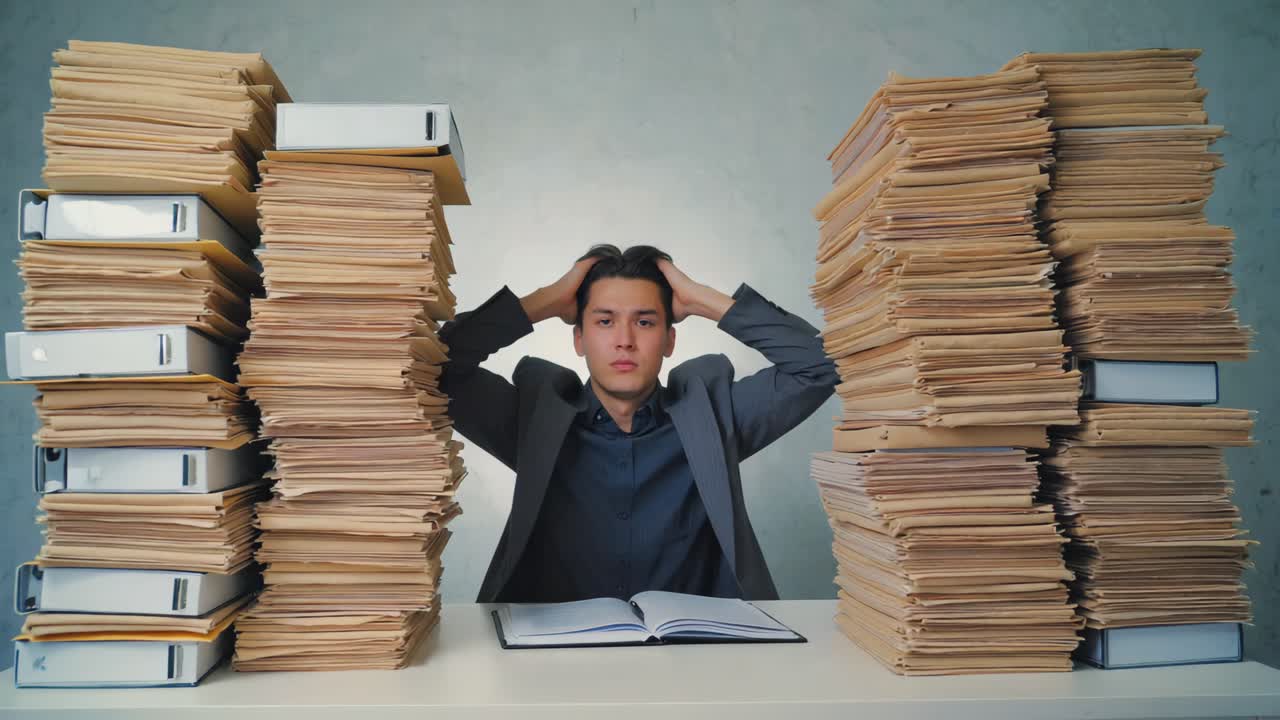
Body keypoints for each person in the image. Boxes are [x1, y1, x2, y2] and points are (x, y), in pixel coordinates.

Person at [439, 245, 838, 603]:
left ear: (669, 341)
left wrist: (705, 300)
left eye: (645, 322)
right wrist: (542, 302)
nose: (625, 340)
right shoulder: (536, 418)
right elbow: (432, 367)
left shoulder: (712, 417)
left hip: (700, 664)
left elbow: (821, 366)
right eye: (605, 321)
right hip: (553, 668)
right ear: (578, 339)